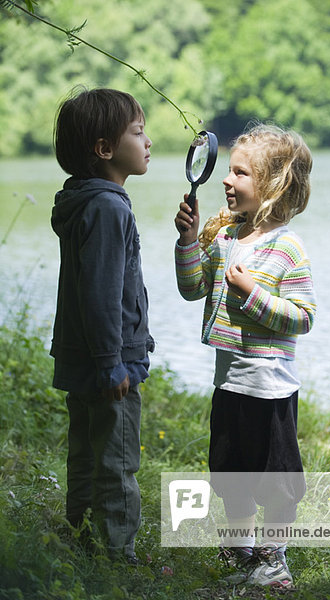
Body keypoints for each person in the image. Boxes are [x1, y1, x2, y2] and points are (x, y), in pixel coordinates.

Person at [174, 123, 316, 588]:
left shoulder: (288, 248)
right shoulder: (225, 238)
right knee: (229, 471)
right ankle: (241, 550)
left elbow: (302, 317)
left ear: (273, 186)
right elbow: (193, 289)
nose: (227, 181)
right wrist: (189, 242)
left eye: (241, 173)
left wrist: (252, 293)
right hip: (228, 383)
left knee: (275, 481)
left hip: (269, 388)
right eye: (229, 171)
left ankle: (274, 559)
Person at [50, 87, 155, 564]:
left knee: (86, 454)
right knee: (117, 459)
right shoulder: (110, 208)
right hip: (109, 360)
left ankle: (82, 539)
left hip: (81, 352)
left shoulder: (84, 202)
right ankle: (118, 557)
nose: (147, 140)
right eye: (138, 131)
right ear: (104, 149)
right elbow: (101, 294)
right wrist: (112, 362)